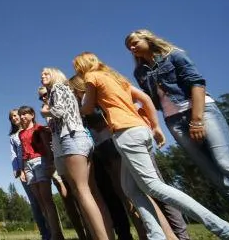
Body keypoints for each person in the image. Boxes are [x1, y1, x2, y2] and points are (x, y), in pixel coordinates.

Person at [73, 51, 229, 240]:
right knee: (131, 189)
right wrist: (156, 126)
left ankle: (223, 228)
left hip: (126, 133)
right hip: (141, 130)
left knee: (153, 186)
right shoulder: (115, 78)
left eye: (77, 67)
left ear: (83, 66)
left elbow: (88, 108)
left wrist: (78, 106)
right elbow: (145, 99)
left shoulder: (91, 76)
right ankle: (156, 236)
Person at [69, 75, 187, 240]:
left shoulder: (95, 99)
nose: (73, 93)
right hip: (104, 147)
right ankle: (150, 233)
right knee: (128, 194)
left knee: (138, 192)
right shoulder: (87, 101)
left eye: (73, 89)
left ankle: (171, 235)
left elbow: (102, 120)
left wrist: (83, 113)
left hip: (115, 143)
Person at [125, 29, 229, 203]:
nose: (131, 48)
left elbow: (197, 84)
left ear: (148, 39)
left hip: (201, 111)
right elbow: (149, 99)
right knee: (213, 174)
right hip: (174, 121)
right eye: (128, 47)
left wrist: (197, 121)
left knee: (226, 164)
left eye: (134, 42)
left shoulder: (174, 55)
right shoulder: (140, 72)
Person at [40, 68, 114, 240]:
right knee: (92, 191)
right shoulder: (67, 90)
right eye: (41, 75)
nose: (42, 77)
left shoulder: (57, 89)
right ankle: (108, 235)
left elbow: (59, 111)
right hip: (83, 138)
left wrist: (45, 111)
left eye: (46, 73)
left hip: (71, 139)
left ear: (56, 75)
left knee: (81, 191)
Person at [37, 88, 90, 240]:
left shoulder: (62, 100)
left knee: (80, 191)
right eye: (41, 97)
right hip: (59, 154)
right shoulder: (46, 109)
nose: (44, 98)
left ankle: (91, 231)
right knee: (67, 197)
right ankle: (81, 234)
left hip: (73, 145)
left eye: (45, 94)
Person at [18, 106, 64, 240]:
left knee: (47, 199)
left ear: (32, 115)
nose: (22, 117)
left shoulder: (39, 129)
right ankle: (51, 232)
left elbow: (46, 147)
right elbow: (23, 152)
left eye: (25, 114)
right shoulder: (21, 134)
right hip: (28, 165)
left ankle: (57, 234)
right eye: (21, 115)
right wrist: (22, 169)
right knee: (40, 201)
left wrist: (50, 163)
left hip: (39, 161)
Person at [8, 109, 51, 240]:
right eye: (12, 117)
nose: (15, 118)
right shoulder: (13, 137)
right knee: (34, 202)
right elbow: (14, 155)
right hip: (24, 170)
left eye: (16, 115)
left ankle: (53, 229)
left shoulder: (34, 128)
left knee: (45, 198)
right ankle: (44, 233)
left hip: (39, 163)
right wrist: (18, 170)